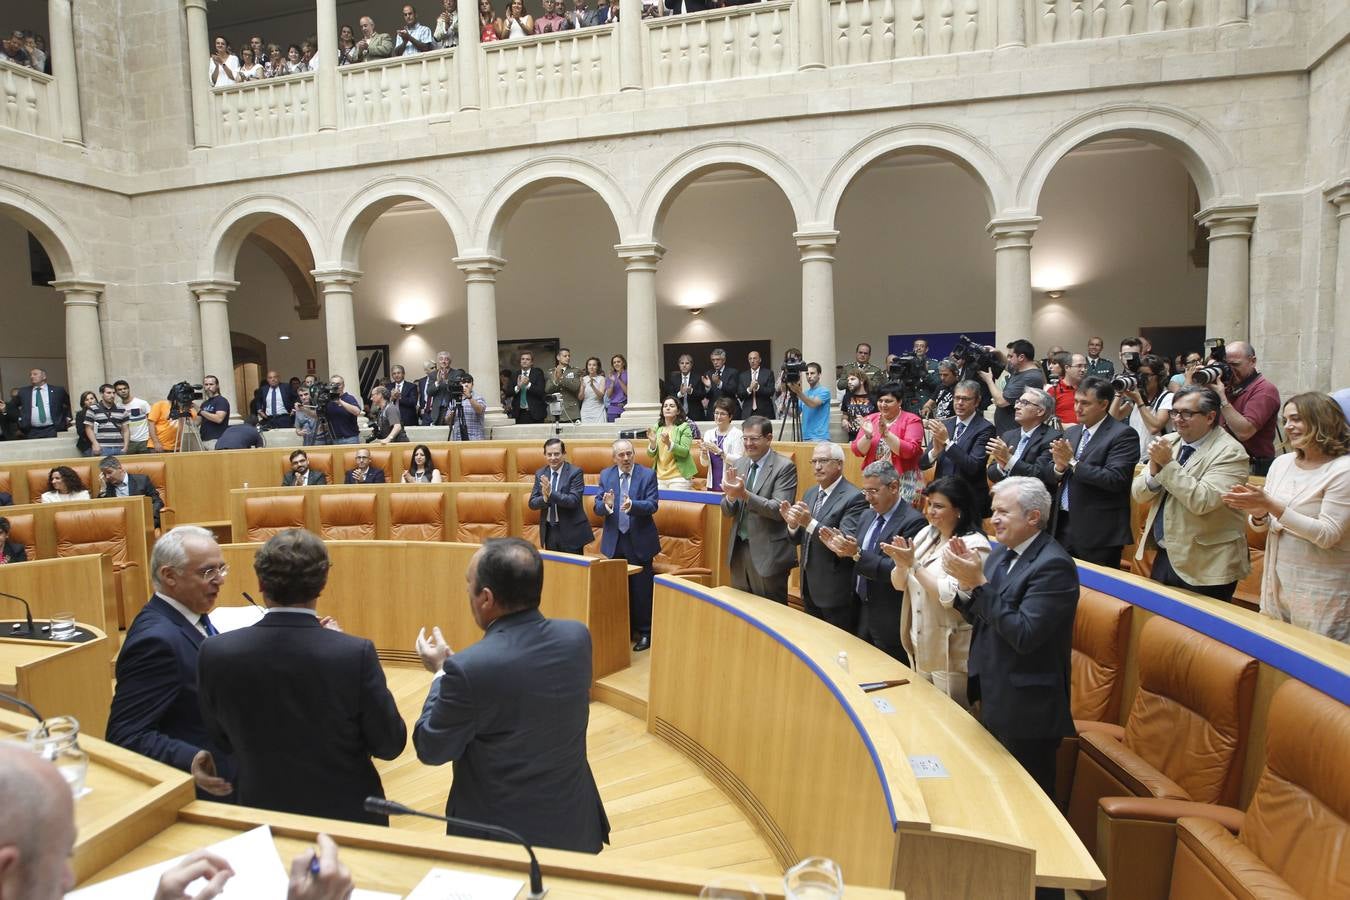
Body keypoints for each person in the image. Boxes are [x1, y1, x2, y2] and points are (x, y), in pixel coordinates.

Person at [412, 538, 610, 852]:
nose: (467, 592)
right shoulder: (576, 637)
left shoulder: (468, 669)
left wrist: (440, 672)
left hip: (503, 840)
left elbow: (431, 748)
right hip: (572, 823)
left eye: (469, 585)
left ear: (486, 598)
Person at [198, 530, 406, 825]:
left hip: (260, 809)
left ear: (259, 583)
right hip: (347, 816)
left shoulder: (215, 652)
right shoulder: (352, 653)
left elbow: (220, 739)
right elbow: (389, 744)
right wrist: (338, 646)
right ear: (322, 584)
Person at [944, 477, 1078, 806]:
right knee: (995, 799)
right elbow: (985, 617)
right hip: (994, 694)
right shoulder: (1003, 555)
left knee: (1028, 807)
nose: (995, 519)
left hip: (1027, 711)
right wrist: (966, 585)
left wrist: (978, 583)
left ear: (1033, 517)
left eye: (1004, 511)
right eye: (993, 511)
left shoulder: (1054, 566)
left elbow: (1024, 634)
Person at [106, 526, 236, 799]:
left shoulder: (189, 612)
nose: (220, 580)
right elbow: (125, 735)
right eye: (207, 572)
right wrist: (191, 757)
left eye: (222, 568)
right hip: (206, 788)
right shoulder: (155, 642)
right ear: (169, 576)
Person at [1222, 392, 1350, 641]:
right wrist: (1258, 514)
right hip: (1278, 580)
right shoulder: (1281, 463)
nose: (1288, 426)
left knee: (1317, 662)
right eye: (1286, 419)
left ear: (1322, 421)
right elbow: (1264, 526)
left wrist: (1270, 505)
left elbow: (1327, 534)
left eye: (1297, 419)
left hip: (1323, 588)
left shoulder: (1342, 470)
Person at [1132, 385, 1251, 601]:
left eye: (1187, 413)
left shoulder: (1231, 452)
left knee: (1200, 632)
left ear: (1210, 417)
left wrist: (1167, 464)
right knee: (1163, 623)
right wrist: (1153, 472)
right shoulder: (1169, 441)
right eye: (1174, 412)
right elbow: (1139, 494)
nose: (1177, 419)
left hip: (1207, 563)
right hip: (1168, 552)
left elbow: (1202, 501)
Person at [881, 477, 989, 706]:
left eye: (938, 506)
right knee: (925, 711)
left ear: (959, 509)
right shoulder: (926, 534)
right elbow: (899, 584)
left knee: (952, 718)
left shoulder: (974, 545)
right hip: (920, 640)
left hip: (950, 648)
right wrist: (901, 564)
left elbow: (950, 598)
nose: (930, 511)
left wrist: (914, 566)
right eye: (928, 504)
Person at [815, 461, 925, 662]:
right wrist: (842, 550)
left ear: (893, 487)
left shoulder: (913, 522)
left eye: (873, 491)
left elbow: (896, 570)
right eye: (865, 491)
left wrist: (856, 553)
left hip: (888, 616)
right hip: (857, 608)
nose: (867, 498)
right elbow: (857, 559)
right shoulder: (867, 515)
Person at [1046, 377, 1141, 569]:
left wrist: (1072, 462)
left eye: (1085, 403)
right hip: (1062, 523)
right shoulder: (1072, 432)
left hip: (1098, 532)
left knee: (1095, 591)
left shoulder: (1123, 434)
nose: (1077, 408)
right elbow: (1053, 470)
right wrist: (1059, 468)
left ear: (1104, 404)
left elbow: (1115, 479)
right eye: (1076, 402)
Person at [781, 443, 868, 632]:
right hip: (809, 586)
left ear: (839, 464)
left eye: (823, 461)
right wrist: (793, 525)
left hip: (835, 591)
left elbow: (844, 543)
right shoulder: (811, 492)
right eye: (814, 461)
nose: (817, 466)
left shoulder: (854, 497)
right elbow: (799, 539)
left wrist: (809, 522)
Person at [720, 415, 798, 604]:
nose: (748, 443)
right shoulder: (739, 464)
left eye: (754, 439)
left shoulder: (784, 467)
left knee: (771, 616)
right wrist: (731, 496)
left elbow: (778, 509)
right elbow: (728, 511)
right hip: (739, 550)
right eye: (745, 438)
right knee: (742, 611)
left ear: (769, 438)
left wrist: (744, 494)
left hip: (768, 553)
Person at [596, 439, 660, 650]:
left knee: (642, 590)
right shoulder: (606, 475)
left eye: (629, 454)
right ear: (614, 458)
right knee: (618, 589)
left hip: (640, 540)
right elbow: (597, 506)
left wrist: (632, 505)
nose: (625, 458)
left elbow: (652, 505)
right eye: (621, 455)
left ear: (634, 454)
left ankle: (645, 632)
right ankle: (624, 627)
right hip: (615, 541)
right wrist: (605, 506)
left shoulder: (647, 474)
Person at [922, 378, 995, 518]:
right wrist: (934, 452)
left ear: (977, 401)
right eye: (957, 398)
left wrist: (947, 442)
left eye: (965, 399)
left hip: (968, 500)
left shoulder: (986, 429)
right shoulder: (946, 424)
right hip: (942, 496)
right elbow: (923, 464)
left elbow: (973, 466)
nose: (959, 403)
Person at [1214, 340, 1282, 476]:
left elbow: (1244, 432)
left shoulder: (1264, 390)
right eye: (1226, 365)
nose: (1230, 370)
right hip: (1223, 462)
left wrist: (1221, 397)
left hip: (1252, 468)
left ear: (1252, 361)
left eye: (1235, 365)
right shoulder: (1226, 387)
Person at [986, 387, 1061, 494]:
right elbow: (991, 472)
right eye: (1018, 402)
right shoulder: (1008, 435)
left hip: (1033, 498)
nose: (1016, 406)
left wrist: (1009, 459)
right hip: (1006, 495)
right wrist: (1002, 466)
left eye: (1024, 403)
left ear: (1040, 411)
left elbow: (1040, 475)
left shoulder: (1052, 437)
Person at [850, 383, 923, 487]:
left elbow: (910, 451)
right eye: (880, 400)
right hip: (874, 479)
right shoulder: (870, 419)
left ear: (900, 402)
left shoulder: (912, 420)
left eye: (888, 401)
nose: (883, 404)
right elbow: (857, 451)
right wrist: (868, 436)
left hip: (905, 480)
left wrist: (886, 434)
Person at [529, 438, 591, 555]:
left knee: (574, 571)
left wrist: (551, 493)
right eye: (549, 454)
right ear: (545, 455)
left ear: (564, 454)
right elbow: (532, 503)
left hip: (571, 531)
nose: (553, 458)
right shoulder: (540, 473)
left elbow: (573, 500)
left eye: (557, 454)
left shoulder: (575, 472)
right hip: (550, 531)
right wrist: (545, 498)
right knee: (555, 570)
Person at [1111, 353, 1173, 455]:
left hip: (1155, 459)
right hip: (1134, 456)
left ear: (1158, 377)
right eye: (1139, 375)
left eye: (1146, 375)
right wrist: (1119, 394)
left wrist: (1139, 401)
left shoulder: (1168, 397)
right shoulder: (1138, 396)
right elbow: (1113, 418)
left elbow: (1154, 428)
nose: (1141, 379)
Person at [983, 339, 1046, 434]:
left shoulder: (1030, 377)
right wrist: (998, 353)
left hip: (1015, 432)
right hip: (1007, 430)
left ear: (1021, 357)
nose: (1008, 359)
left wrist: (989, 380)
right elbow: (1007, 365)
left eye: (1011, 356)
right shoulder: (1020, 370)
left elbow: (1001, 401)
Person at [98, 455, 165, 528]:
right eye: (104, 474)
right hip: (117, 526)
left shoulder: (142, 480)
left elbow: (157, 501)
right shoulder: (106, 487)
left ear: (119, 468)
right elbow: (99, 510)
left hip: (141, 521)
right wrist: (103, 489)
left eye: (109, 472)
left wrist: (149, 521)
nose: (107, 477)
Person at [697, 397, 744, 491]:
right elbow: (704, 464)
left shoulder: (737, 434)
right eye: (716, 413)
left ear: (730, 416)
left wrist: (720, 452)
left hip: (730, 484)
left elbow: (739, 461)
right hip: (712, 483)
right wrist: (704, 453)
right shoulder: (708, 434)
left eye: (722, 414)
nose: (718, 417)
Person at [647, 398, 696, 489]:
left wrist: (669, 443)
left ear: (678, 411)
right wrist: (653, 443)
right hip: (659, 476)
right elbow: (650, 454)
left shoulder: (684, 427)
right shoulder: (657, 427)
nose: (668, 408)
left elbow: (684, 452)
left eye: (671, 406)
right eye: (665, 406)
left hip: (679, 477)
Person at [17, 367, 71, 438]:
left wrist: (68, 417)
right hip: (32, 431)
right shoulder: (23, 392)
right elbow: (12, 407)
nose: (32, 376)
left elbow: (70, 403)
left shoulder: (58, 391)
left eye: (35, 374)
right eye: (31, 375)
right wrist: (20, 419)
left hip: (53, 429)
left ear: (44, 376)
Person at [789, 362, 832, 441]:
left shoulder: (824, 391)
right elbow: (796, 413)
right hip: (805, 436)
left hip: (820, 437)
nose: (809, 376)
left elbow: (813, 404)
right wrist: (784, 407)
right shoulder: (805, 393)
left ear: (819, 375)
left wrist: (798, 392)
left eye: (812, 373)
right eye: (807, 374)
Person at [85, 382, 129, 457]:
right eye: (108, 393)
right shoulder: (93, 409)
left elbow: (126, 430)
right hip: (102, 448)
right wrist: (95, 443)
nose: (112, 395)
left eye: (113, 393)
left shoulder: (122, 410)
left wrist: (126, 446)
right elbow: (88, 428)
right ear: (102, 394)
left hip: (119, 448)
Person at [113, 379, 155, 454]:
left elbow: (152, 421)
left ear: (128, 389)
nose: (123, 391)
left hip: (144, 440)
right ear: (116, 393)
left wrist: (153, 439)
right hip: (129, 442)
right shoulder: (117, 406)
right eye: (120, 389)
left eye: (125, 388)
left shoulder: (142, 403)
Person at [446, 373, 488, 440]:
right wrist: (450, 415)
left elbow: (480, 410)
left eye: (468, 382)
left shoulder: (478, 398)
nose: (466, 384)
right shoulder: (454, 400)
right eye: (463, 382)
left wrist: (469, 397)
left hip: (475, 438)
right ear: (459, 384)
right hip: (458, 438)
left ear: (472, 385)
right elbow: (447, 421)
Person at [545, 348, 583, 424]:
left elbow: (575, 387)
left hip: (571, 411)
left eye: (569, 356)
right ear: (558, 357)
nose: (568, 358)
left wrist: (561, 378)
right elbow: (547, 390)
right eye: (565, 356)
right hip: (555, 411)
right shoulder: (551, 372)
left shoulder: (575, 371)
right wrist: (556, 380)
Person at [665, 353, 706, 421]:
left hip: (695, 414)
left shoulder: (698, 377)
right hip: (677, 414)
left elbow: (702, 395)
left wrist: (691, 391)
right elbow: (669, 396)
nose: (684, 365)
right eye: (682, 363)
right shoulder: (673, 378)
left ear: (691, 365)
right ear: (679, 365)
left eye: (687, 363)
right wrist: (680, 393)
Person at [701, 348, 739, 419]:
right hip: (713, 411)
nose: (715, 362)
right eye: (713, 360)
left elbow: (733, 390)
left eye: (718, 360)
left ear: (724, 360)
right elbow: (706, 396)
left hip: (729, 410)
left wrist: (719, 383)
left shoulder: (732, 372)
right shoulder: (708, 374)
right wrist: (708, 387)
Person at [510, 351, 547, 424]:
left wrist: (528, 384)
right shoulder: (515, 374)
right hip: (519, 414)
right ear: (520, 361)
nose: (524, 361)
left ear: (532, 362)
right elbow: (508, 392)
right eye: (522, 359)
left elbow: (541, 392)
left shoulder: (538, 373)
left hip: (535, 413)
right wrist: (518, 387)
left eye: (527, 359)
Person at [1048, 353, 1085, 424]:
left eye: (1085, 366)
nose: (1083, 370)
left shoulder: (1088, 389)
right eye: (1079, 366)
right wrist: (1063, 426)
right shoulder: (1054, 390)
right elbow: (1045, 419)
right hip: (1063, 433)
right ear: (1067, 368)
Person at [736, 350, 775, 419]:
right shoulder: (743, 375)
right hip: (748, 412)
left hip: (765, 411)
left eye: (754, 358)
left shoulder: (768, 373)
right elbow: (740, 395)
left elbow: (771, 392)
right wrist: (749, 389)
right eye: (750, 359)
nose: (752, 361)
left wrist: (758, 387)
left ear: (760, 360)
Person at [324, 376, 362, 445]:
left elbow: (357, 412)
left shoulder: (349, 398)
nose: (336, 386)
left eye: (338, 384)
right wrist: (304, 409)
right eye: (333, 384)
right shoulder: (327, 400)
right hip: (334, 440)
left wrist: (340, 401)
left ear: (343, 386)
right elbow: (318, 415)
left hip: (350, 439)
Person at [841, 372, 877, 442]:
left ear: (861, 381)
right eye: (848, 380)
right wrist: (844, 420)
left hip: (869, 437)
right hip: (852, 438)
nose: (849, 382)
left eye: (852, 379)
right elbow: (845, 414)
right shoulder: (847, 397)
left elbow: (878, 417)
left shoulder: (873, 397)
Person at [196, 375, 230, 450]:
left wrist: (200, 411)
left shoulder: (221, 401)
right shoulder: (204, 403)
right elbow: (196, 423)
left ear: (217, 386)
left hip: (217, 440)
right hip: (203, 440)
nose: (208, 387)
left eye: (211, 384)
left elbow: (219, 419)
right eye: (206, 384)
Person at [579, 356, 608, 423]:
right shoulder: (584, 379)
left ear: (597, 367)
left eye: (594, 365)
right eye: (589, 365)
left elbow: (601, 396)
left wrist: (592, 386)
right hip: (586, 411)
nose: (591, 367)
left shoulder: (601, 378)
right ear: (587, 367)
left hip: (598, 410)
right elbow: (580, 398)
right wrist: (583, 388)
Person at [604, 354, 629, 422]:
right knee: (612, 431)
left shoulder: (629, 374)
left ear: (623, 363)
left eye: (618, 362)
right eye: (614, 362)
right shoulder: (611, 376)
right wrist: (612, 382)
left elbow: (628, 393)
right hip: (613, 409)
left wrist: (619, 379)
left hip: (625, 408)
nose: (616, 364)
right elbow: (609, 395)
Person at [72, 390, 96, 456]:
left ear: (95, 399)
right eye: (87, 400)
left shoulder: (101, 411)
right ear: (83, 402)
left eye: (92, 398)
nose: (90, 401)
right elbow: (80, 431)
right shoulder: (80, 414)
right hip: (87, 444)